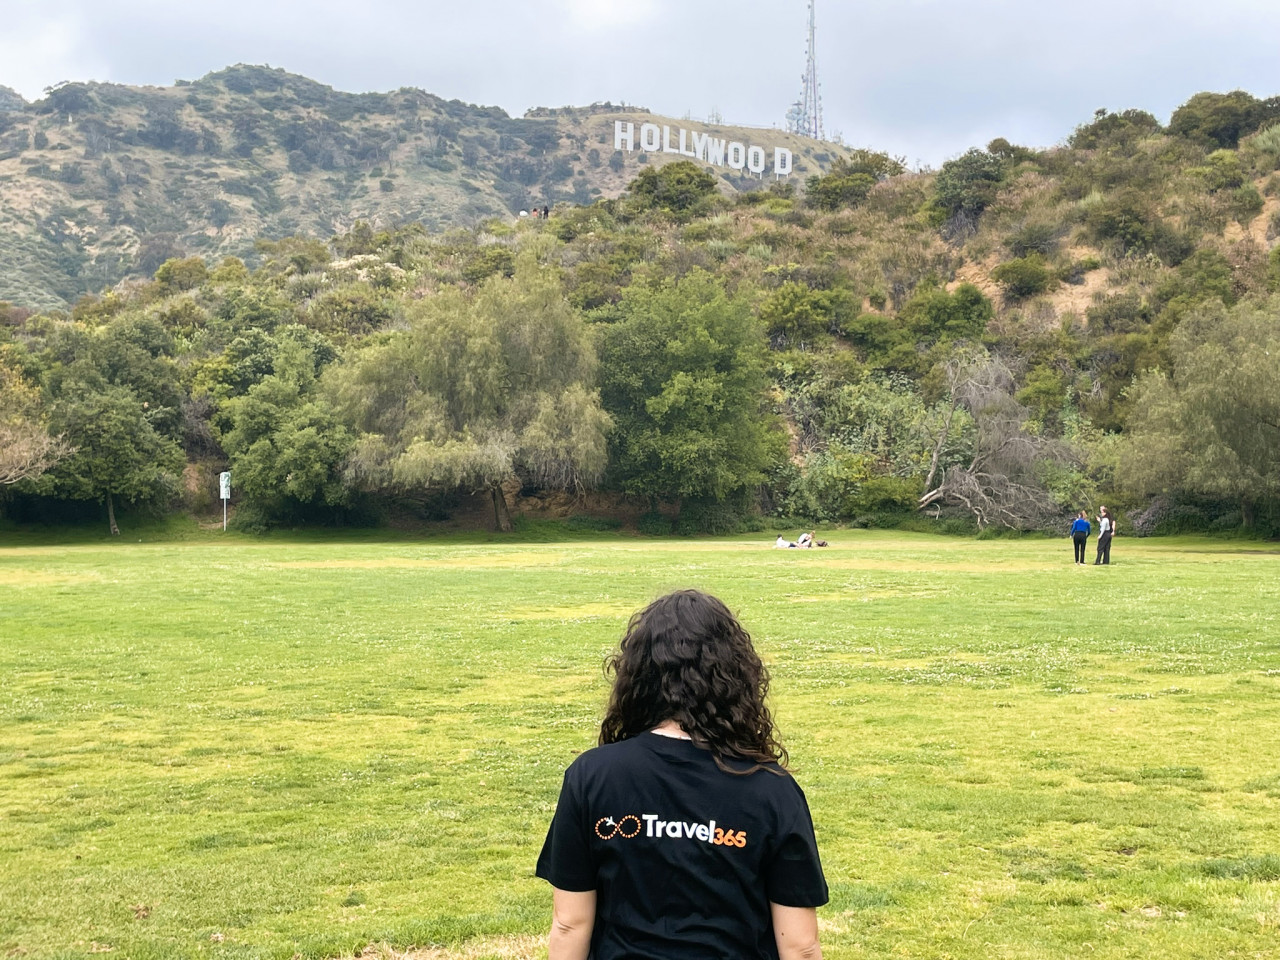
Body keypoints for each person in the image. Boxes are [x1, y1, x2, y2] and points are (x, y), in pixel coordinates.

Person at [536, 590, 828, 960]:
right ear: (736, 676)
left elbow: (569, 925)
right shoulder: (771, 788)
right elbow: (800, 947)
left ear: (637, 675)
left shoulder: (591, 776)